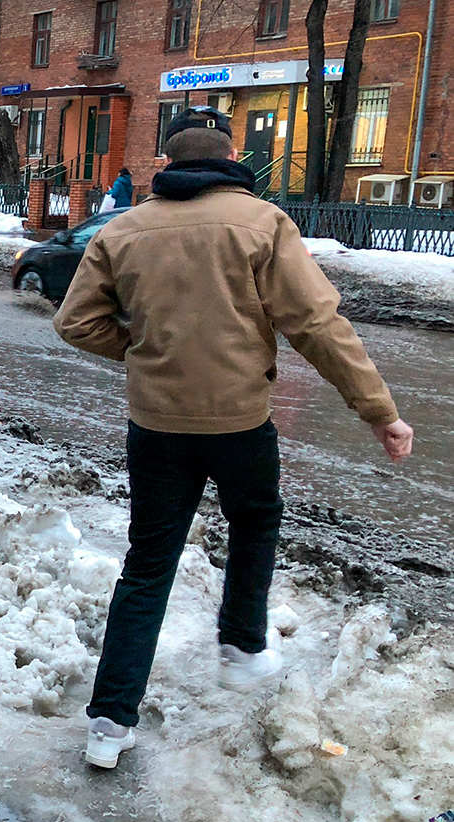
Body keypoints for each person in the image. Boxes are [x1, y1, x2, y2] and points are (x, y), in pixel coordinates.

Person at [53, 106, 415, 770]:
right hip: (240, 422)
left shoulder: (125, 229)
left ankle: (107, 724)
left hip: (155, 425)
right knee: (255, 517)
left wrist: (144, 351)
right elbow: (318, 325)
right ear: (228, 158)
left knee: (147, 565)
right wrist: (378, 411)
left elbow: (76, 322)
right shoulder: (261, 224)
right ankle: (242, 645)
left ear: (167, 163)